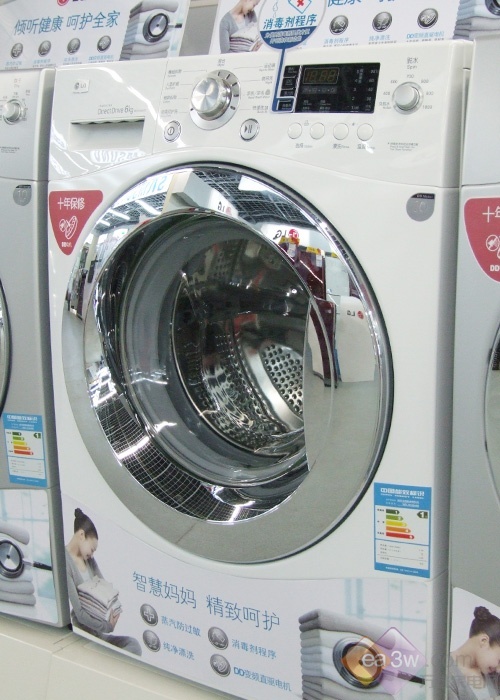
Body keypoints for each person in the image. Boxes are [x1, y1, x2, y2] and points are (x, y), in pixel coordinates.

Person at [65, 508, 141, 656]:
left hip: (99, 631)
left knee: (133, 645)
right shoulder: (65, 562)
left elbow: (105, 590)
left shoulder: (89, 561)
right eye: (92, 549)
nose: (92, 554)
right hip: (84, 633)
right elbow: (79, 613)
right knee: (116, 655)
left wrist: (113, 610)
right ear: (81, 535)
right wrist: (107, 626)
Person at [449, 606, 500, 699]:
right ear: (484, 641)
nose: (498, 669)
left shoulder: (493, 674)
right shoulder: (443, 673)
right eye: (499, 661)